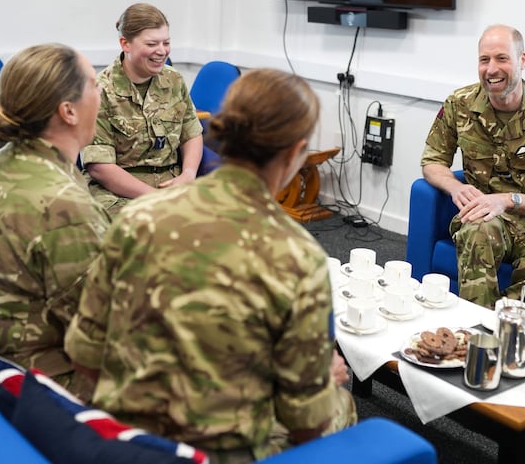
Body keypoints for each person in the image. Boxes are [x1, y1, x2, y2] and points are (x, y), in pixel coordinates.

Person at [65, 68, 357, 463]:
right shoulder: (298, 257)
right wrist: (324, 383)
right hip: (218, 454)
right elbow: (308, 423)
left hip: (124, 443)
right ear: (295, 153)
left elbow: (84, 355)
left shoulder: (138, 217)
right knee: (341, 402)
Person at [0, 43, 109, 399]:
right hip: (37, 385)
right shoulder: (65, 206)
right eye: (94, 84)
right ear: (68, 111)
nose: (102, 93)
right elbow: (104, 335)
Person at [420, 24, 525, 308]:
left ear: (522, 60)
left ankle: (503, 324)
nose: (491, 69)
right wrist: (455, 187)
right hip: (483, 215)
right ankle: (474, 326)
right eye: (484, 60)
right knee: (476, 233)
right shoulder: (460, 104)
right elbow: (432, 161)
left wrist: (506, 200)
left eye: (502, 58)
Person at [82, 2, 204, 215]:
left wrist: (189, 174)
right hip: (118, 191)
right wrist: (156, 197)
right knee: (145, 227)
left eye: (166, 42)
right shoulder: (100, 90)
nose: (162, 51)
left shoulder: (174, 80)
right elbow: (100, 167)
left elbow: (192, 134)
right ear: (125, 44)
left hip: (171, 182)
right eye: (151, 44)